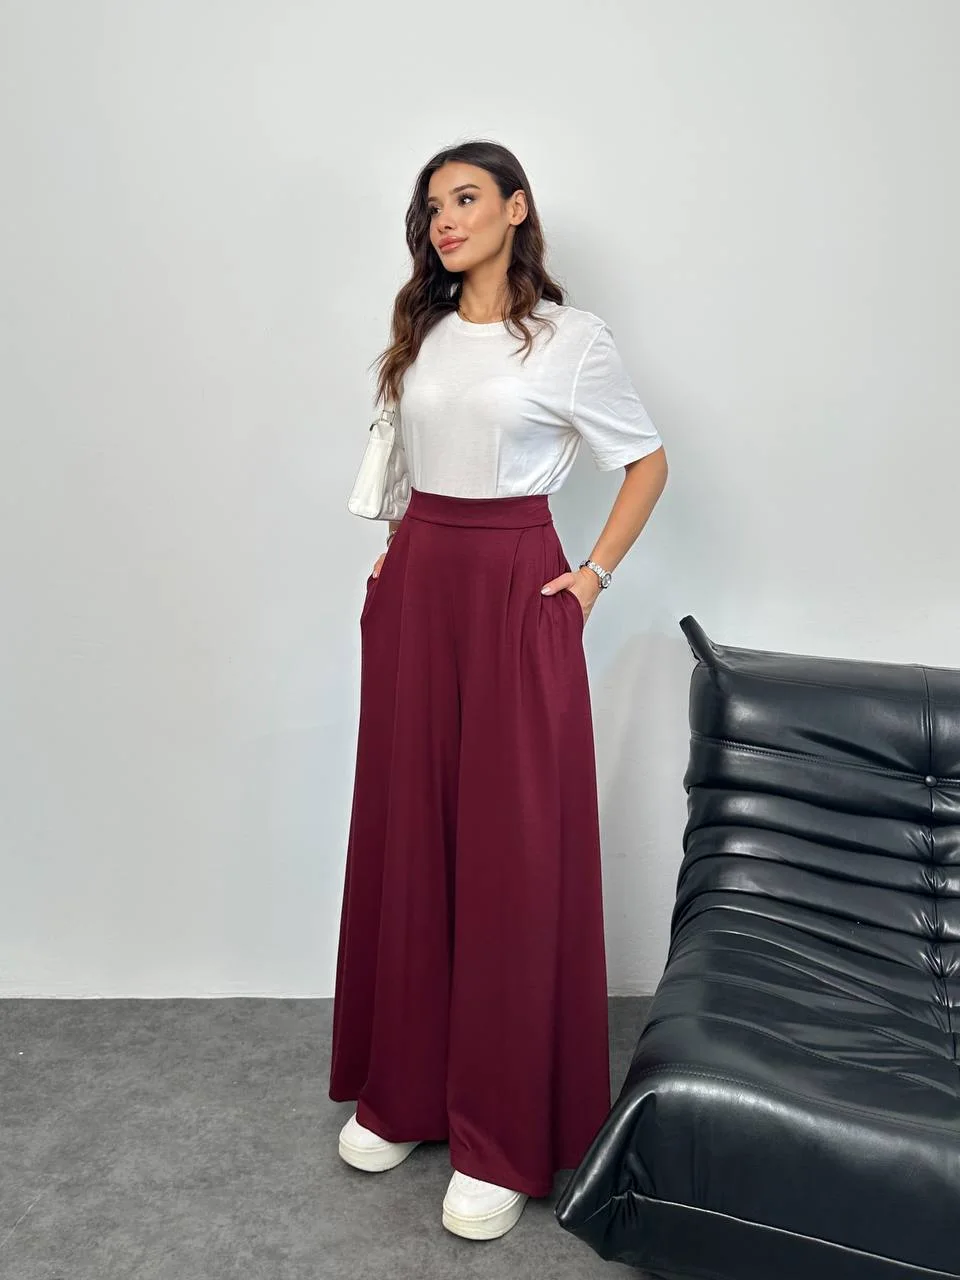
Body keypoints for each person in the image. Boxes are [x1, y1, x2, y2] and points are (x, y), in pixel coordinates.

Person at [329, 139, 668, 1241]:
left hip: (519, 590)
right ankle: (408, 1091)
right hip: (420, 591)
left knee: (509, 848)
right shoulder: (422, 332)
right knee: (413, 833)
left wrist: (592, 577)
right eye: (433, 204)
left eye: (467, 198)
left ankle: (502, 1127)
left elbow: (647, 461)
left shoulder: (572, 340)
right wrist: (391, 551)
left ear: (517, 209)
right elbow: (407, 460)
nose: (446, 219)